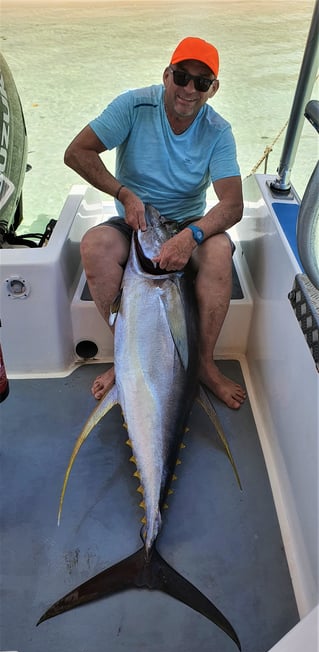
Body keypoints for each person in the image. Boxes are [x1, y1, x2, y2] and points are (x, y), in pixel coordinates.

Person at [64, 36, 246, 410]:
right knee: (94, 246)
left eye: (201, 82)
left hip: (187, 222)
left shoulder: (218, 131)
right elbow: (76, 152)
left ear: (213, 88)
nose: (188, 89)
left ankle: (205, 365)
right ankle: (127, 356)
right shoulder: (134, 105)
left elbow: (232, 204)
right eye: (181, 77)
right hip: (135, 221)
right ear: (167, 75)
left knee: (218, 250)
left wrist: (192, 235)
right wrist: (125, 194)